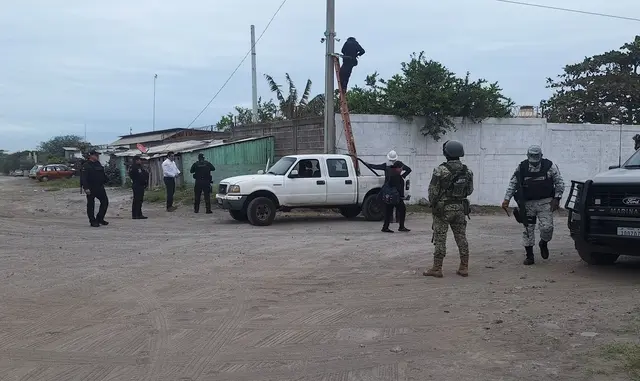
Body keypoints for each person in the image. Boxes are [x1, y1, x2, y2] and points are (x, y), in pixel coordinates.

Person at [501, 145, 565, 265]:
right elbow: (513, 183)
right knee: (528, 229)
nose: (535, 161)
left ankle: (544, 243)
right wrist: (506, 199)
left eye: (537, 157)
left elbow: (559, 182)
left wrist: (557, 198)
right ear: (528, 156)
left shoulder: (549, 166)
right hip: (527, 203)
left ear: (541, 156)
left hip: (545, 202)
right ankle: (529, 255)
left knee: (547, 228)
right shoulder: (522, 167)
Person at [424, 140, 474, 278]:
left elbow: (433, 192)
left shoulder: (440, 170)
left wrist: (433, 203)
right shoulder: (467, 171)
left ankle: (437, 268)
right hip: (459, 208)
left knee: (440, 238)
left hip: (442, 209)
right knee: (461, 237)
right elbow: (469, 191)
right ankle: (464, 267)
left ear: (446, 153)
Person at [364, 150, 412, 233]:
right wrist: (403, 177)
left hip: (388, 192)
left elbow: (375, 166)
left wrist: (367, 164)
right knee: (401, 209)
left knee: (389, 210)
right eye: (400, 169)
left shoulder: (387, 167)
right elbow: (408, 170)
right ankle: (401, 226)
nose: (401, 169)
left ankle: (385, 227)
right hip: (395, 194)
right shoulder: (398, 171)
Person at [80, 150, 109, 227]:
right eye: (96, 155)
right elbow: (84, 178)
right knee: (91, 204)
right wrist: (86, 188)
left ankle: (100, 218)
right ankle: (92, 221)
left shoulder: (98, 164)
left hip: (99, 186)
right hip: (91, 187)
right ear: (91, 156)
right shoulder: (86, 165)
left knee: (105, 202)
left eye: (98, 155)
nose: (97, 156)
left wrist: (106, 180)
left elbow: (102, 174)